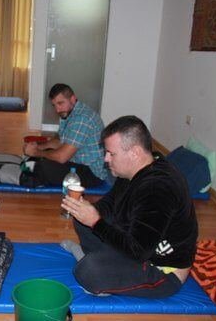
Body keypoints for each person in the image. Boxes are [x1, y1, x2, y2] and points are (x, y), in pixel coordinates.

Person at [60, 115, 198, 298]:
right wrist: (87, 210)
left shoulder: (158, 188)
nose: (106, 159)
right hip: (137, 242)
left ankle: (99, 267)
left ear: (134, 153)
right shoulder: (136, 169)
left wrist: (95, 222)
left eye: (111, 153)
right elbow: (110, 204)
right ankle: (103, 261)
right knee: (81, 216)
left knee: (88, 271)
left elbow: (139, 251)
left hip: (161, 270)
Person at [22, 83, 107, 187]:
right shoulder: (68, 113)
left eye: (60, 103)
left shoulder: (82, 118)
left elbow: (62, 157)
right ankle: (28, 169)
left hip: (91, 174)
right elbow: (60, 141)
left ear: (72, 99)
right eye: (54, 105)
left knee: (44, 165)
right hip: (76, 162)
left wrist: (36, 152)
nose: (57, 110)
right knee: (43, 157)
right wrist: (38, 147)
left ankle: (26, 172)